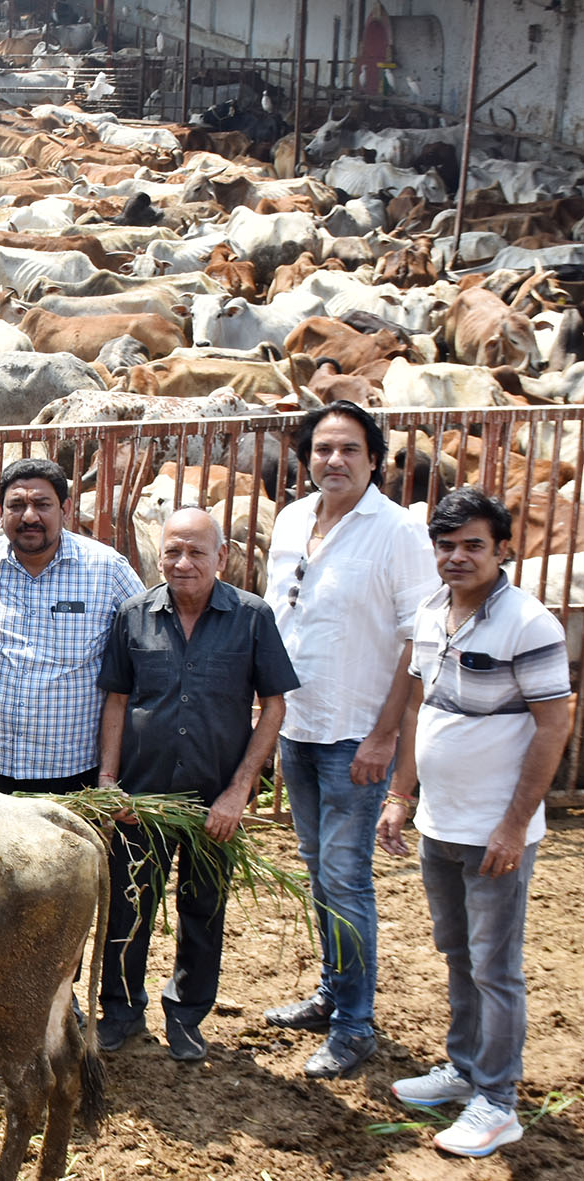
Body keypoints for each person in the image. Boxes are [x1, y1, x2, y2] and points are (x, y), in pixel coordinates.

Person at [378, 488, 569, 1157]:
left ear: (502, 550)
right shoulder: (432, 611)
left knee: (495, 966)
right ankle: (463, 1069)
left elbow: (552, 727)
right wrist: (401, 794)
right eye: (446, 545)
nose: (457, 557)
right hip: (440, 824)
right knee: (457, 953)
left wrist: (514, 825)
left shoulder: (528, 623)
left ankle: (497, 1100)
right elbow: (418, 709)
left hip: (494, 833)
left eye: (473, 545)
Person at [263, 399, 438, 1078]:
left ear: (375, 460)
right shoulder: (290, 519)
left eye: (349, 450)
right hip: (298, 725)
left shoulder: (398, 531)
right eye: (323, 449)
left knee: (345, 876)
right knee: (318, 868)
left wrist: (384, 734)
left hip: (356, 733)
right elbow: (279, 619)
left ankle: (355, 1023)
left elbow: (418, 640)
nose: (333, 460)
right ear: (307, 457)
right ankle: (333, 993)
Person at [96, 508, 299, 1061]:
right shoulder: (133, 614)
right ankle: (121, 1011)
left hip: (215, 801)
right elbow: (116, 700)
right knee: (128, 907)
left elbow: (274, 705)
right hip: (142, 798)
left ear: (222, 557)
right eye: (172, 552)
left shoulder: (252, 617)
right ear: (158, 555)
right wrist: (109, 780)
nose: (183, 563)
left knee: (203, 909)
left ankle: (187, 1015)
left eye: (196, 552)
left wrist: (240, 790)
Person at [0, 456, 142, 795]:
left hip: (71, 768)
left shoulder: (106, 569)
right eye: (16, 505)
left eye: (42, 505)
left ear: (66, 509)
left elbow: (148, 639)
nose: (29, 516)